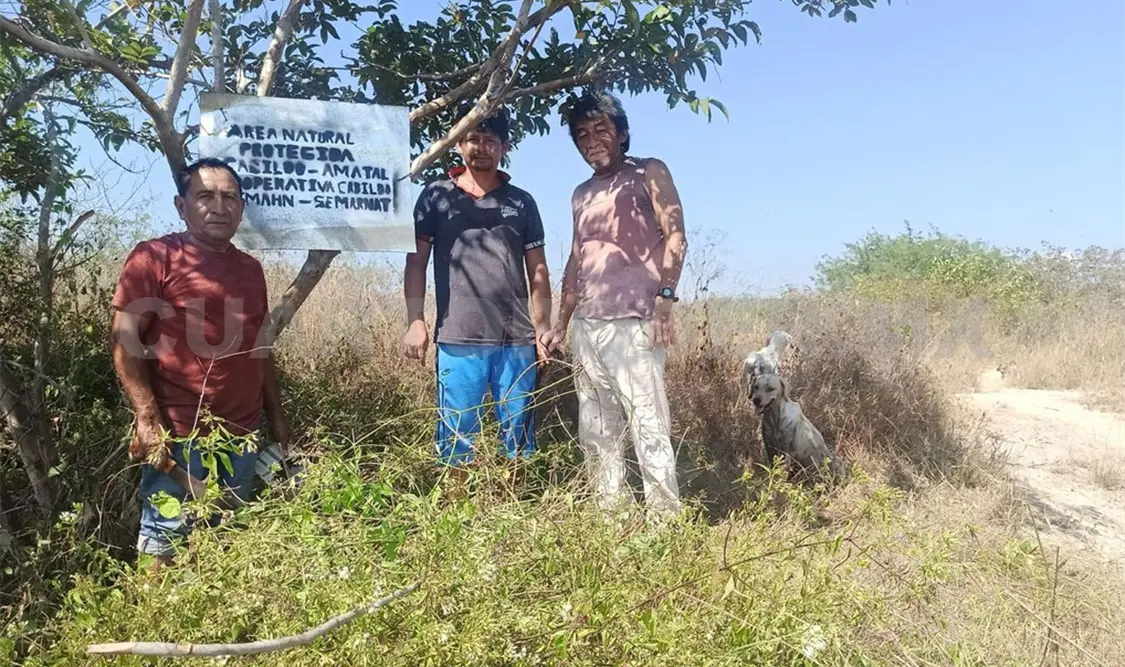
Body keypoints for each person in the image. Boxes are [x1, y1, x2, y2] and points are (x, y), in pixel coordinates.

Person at [110, 158, 291, 568]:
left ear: (242, 209)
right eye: (205, 196)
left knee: (223, 542)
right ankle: (151, 626)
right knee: (163, 546)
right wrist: (145, 416)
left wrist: (277, 419)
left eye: (229, 198)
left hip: (240, 436)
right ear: (181, 206)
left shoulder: (250, 269)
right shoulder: (154, 257)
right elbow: (124, 338)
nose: (219, 206)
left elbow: (259, 349)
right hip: (179, 436)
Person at [540, 92, 688, 517]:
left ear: (621, 133)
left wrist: (665, 300)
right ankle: (612, 518)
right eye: (582, 135)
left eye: (601, 130)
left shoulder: (649, 171)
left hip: (635, 321)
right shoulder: (580, 193)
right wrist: (560, 324)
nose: (592, 141)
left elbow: (676, 234)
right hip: (588, 324)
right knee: (597, 428)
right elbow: (576, 258)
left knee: (647, 423)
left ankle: (665, 523)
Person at [402, 106, 552, 484]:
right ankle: (457, 518)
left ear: (504, 147)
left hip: (515, 340)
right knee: (456, 439)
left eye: (490, 141)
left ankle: (515, 514)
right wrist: (416, 321)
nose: (481, 148)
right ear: (459, 145)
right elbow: (416, 263)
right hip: (457, 336)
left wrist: (542, 328)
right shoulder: (436, 196)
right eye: (473, 139)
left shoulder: (522, 202)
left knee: (517, 439)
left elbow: (538, 269)